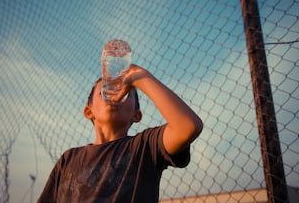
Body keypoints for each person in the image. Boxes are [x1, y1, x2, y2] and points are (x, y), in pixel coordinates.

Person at [37, 40, 203, 203]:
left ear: (136, 115)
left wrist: (138, 76)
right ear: (89, 111)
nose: (113, 95)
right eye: (105, 90)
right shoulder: (69, 159)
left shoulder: (145, 147)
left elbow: (188, 127)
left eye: (125, 92)